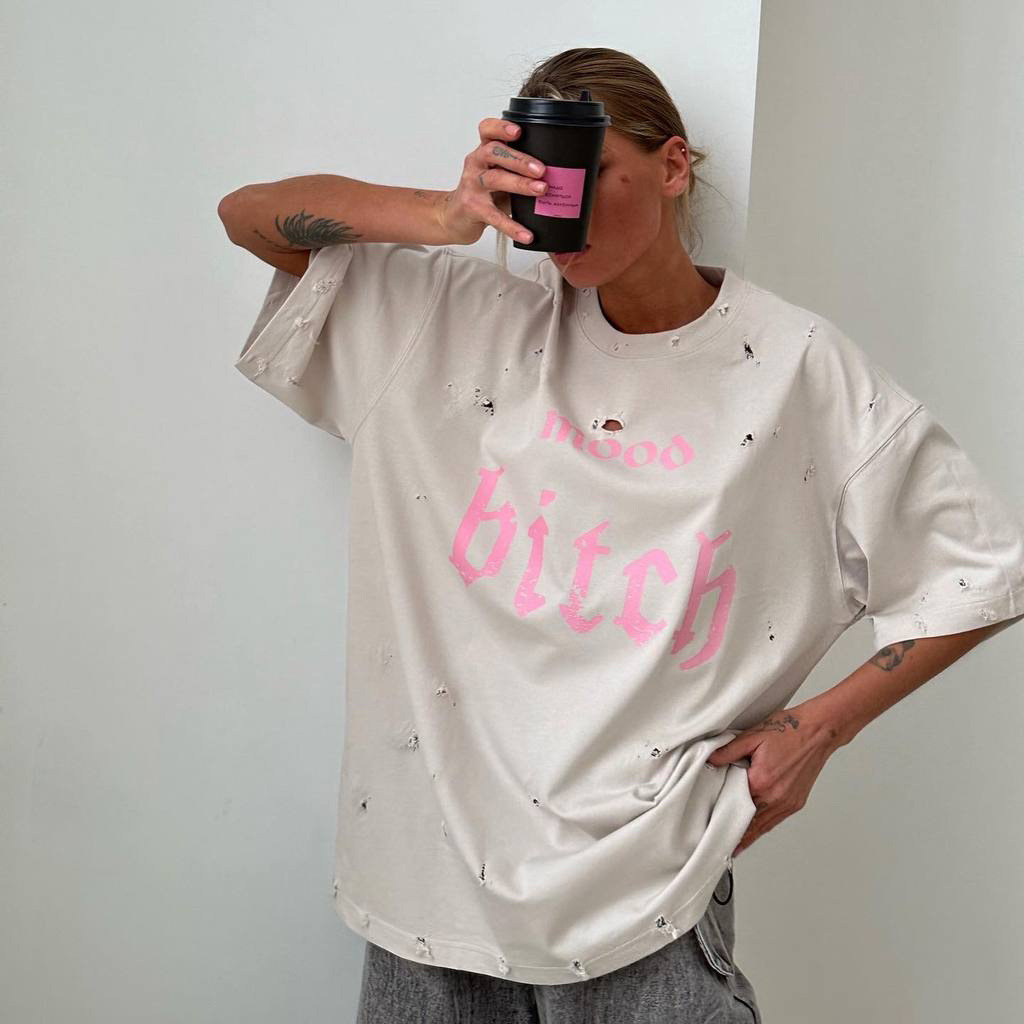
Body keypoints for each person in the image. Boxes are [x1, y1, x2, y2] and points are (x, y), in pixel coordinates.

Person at [218, 46, 1024, 1024]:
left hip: (648, 898)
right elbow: (247, 216)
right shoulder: (453, 323)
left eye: (589, 173)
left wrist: (819, 728)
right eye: (537, 179)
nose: (562, 208)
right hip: (427, 896)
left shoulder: (791, 368)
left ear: (673, 166)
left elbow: (980, 568)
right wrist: (446, 214)